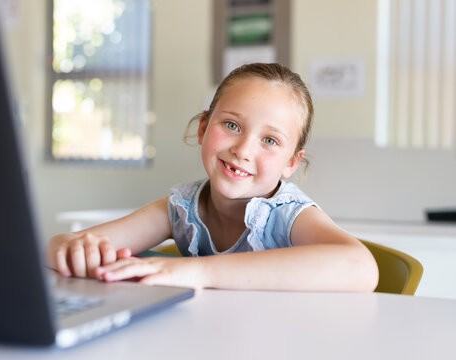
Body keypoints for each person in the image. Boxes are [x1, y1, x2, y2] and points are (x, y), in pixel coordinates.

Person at [48, 63, 379, 292]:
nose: (244, 150)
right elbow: (57, 246)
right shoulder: (181, 208)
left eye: (270, 140)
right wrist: (72, 251)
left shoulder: (288, 215)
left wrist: (195, 272)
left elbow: (361, 267)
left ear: (291, 163)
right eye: (232, 126)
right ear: (204, 128)